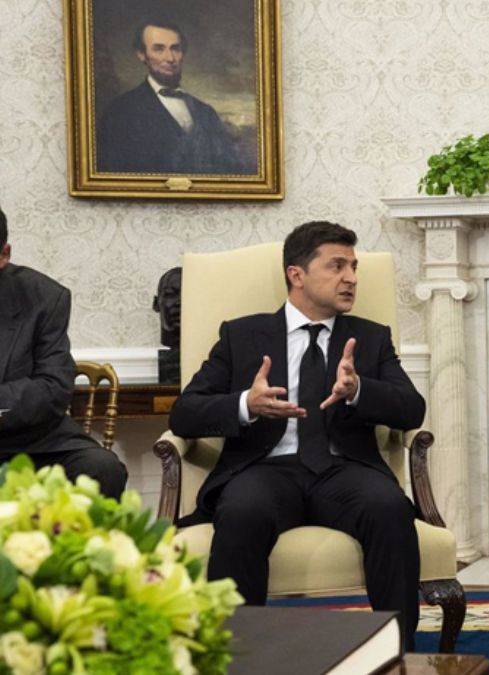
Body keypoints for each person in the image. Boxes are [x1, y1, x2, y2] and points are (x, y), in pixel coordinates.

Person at [168, 221, 426, 648]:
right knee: (241, 512)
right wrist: (245, 404)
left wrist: (359, 389)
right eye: (337, 266)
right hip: (265, 469)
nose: (351, 278)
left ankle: (397, 653)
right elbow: (185, 414)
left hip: (343, 470)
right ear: (297, 274)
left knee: (390, 509)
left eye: (354, 267)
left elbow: (412, 409)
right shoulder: (241, 335)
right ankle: (235, 655)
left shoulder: (369, 337)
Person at [0, 206, 129, 498]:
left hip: (33, 441)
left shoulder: (43, 298)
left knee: (101, 468)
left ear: (4, 254)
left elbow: (53, 387)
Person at [96, 20, 242, 174]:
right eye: (159, 49)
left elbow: (228, 170)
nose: (170, 58)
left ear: (182, 53)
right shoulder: (119, 111)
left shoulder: (206, 112)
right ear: (141, 55)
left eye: (175, 49)